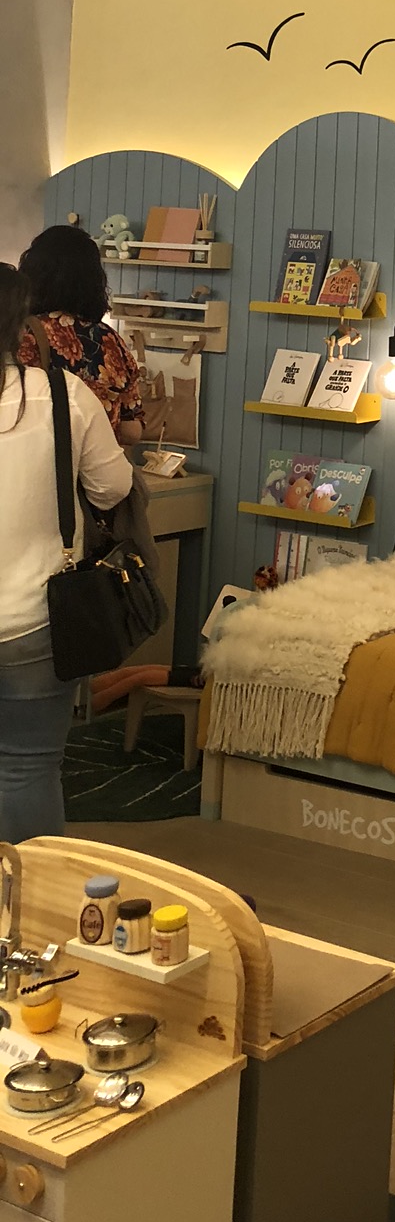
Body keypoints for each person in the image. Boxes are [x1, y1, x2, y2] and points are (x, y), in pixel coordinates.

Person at [0, 263, 133, 840]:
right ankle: (28, 894)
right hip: (34, 619)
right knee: (28, 769)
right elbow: (113, 488)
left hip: (33, 620)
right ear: (19, 325)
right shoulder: (62, 394)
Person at [16, 225, 144, 442]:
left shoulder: (22, 335)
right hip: (98, 461)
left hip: (39, 459)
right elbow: (133, 430)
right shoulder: (112, 341)